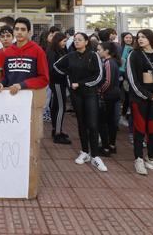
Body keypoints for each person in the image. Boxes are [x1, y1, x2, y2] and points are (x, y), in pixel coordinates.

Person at [53, 33, 106, 172]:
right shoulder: (70, 56)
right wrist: (69, 77)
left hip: (90, 94)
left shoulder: (93, 55)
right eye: (75, 40)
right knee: (81, 123)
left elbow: (99, 76)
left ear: (86, 42)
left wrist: (81, 83)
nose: (76, 42)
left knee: (93, 124)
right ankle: (84, 152)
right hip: (76, 95)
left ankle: (95, 156)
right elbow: (56, 66)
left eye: (80, 40)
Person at [126, 29, 153, 175]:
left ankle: (152, 158)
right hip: (139, 99)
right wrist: (146, 95)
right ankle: (138, 158)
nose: (140, 39)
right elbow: (132, 79)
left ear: (151, 38)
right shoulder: (134, 55)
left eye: (143, 37)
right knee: (139, 129)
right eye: (138, 37)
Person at [0, 17, 49, 96]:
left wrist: (22, 85)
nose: (19, 32)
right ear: (13, 31)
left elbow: (44, 79)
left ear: (29, 32)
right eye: (16, 29)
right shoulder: (7, 52)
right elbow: (6, 77)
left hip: (30, 98)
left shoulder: (38, 51)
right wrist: (0, 83)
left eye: (23, 29)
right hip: (11, 97)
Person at [97, 41, 121, 157]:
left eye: (100, 50)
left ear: (106, 51)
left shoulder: (108, 62)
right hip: (114, 95)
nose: (98, 52)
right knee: (111, 122)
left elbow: (107, 81)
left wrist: (99, 91)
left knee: (104, 122)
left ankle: (106, 147)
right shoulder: (113, 62)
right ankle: (111, 145)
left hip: (108, 96)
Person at [46, 32, 70, 144]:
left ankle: (57, 129)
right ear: (58, 41)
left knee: (56, 106)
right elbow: (53, 69)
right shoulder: (52, 52)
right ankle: (58, 134)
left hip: (60, 82)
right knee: (60, 107)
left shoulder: (61, 50)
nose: (65, 43)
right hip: (57, 83)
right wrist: (66, 73)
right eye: (64, 41)